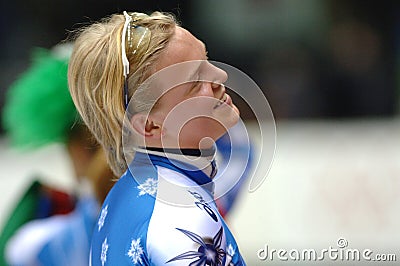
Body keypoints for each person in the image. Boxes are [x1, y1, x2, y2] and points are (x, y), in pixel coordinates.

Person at [68, 10, 246, 265]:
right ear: (149, 125)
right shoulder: (184, 217)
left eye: (206, 58)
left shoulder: (125, 194)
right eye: (196, 81)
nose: (221, 76)